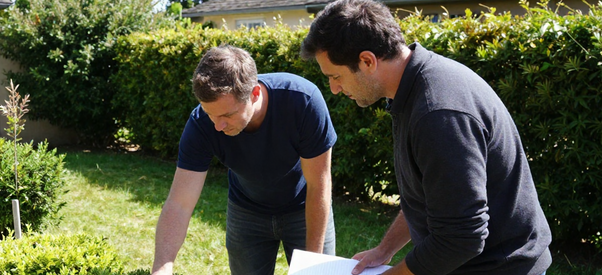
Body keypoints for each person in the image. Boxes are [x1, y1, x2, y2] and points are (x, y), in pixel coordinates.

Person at [300, 0, 552, 274]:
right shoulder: (412, 88)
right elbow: (433, 197)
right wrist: (385, 250)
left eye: (335, 76)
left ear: (367, 61)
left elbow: (460, 238)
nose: (334, 89)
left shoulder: (437, 113)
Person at [151, 45, 337, 275]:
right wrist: (162, 267)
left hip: (304, 208)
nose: (218, 126)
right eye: (211, 115)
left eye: (227, 115)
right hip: (246, 212)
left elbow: (319, 185)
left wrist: (313, 266)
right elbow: (179, 204)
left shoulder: (303, 101)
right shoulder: (201, 124)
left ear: (255, 93)